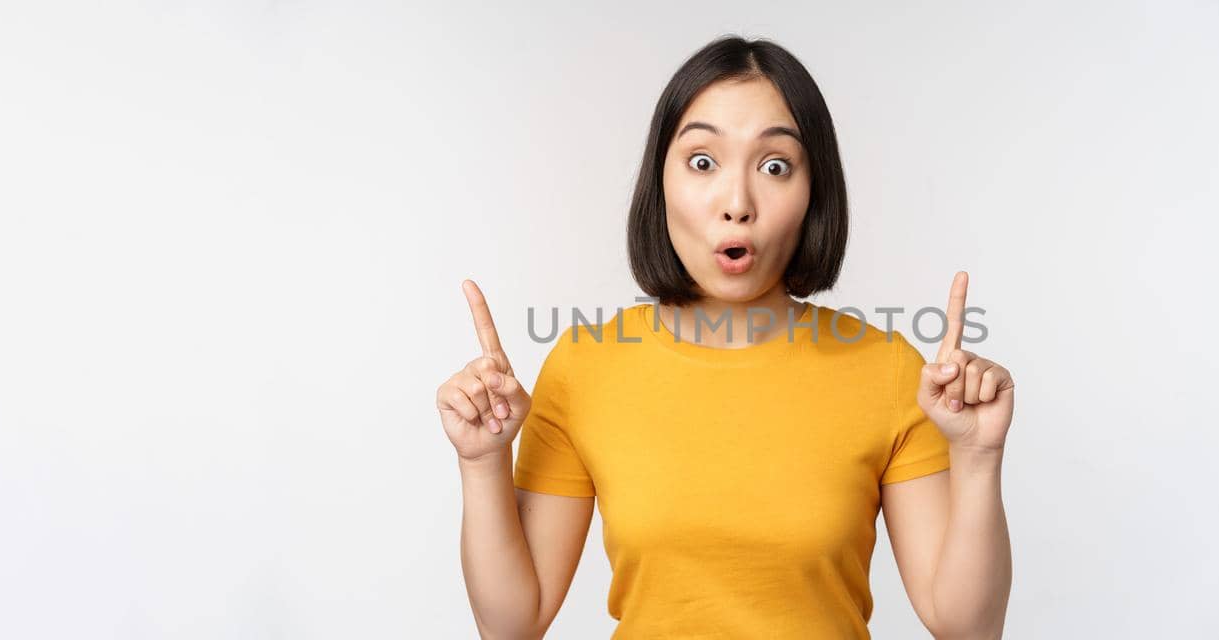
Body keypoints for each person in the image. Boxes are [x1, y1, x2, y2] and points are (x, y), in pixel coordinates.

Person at [435, 35, 1015, 639]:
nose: (737, 203)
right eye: (703, 162)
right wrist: (482, 463)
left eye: (775, 166)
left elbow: (966, 629)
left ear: (814, 192)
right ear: (659, 181)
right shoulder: (586, 367)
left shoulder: (888, 368)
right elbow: (512, 625)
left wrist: (977, 458)